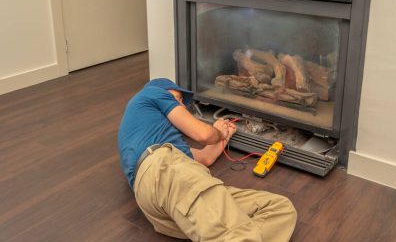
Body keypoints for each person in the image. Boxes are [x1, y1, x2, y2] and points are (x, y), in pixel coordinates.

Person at [118, 78, 297, 241]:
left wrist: (224, 136)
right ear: (165, 91)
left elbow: (206, 157)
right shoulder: (153, 92)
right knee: (235, 235)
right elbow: (203, 134)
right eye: (178, 99)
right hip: (167, 173)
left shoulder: (158, 137)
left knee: (280, 209)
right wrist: (216, 131)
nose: (181, 105)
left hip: (160, 196)